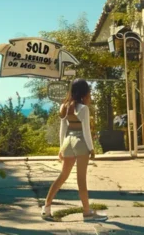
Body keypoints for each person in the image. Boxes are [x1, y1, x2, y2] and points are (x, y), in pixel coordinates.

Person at [41, 79, 107, 222]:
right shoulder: (83, 108)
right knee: (81, 180)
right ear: (84, 92)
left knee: (62, 176)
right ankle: (87, 213)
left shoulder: (64, 106)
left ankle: (46, 208)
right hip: (80, 143)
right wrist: (91, 148)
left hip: (68, 142)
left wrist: (61, 148)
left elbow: (62, 130)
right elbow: (86, 131)